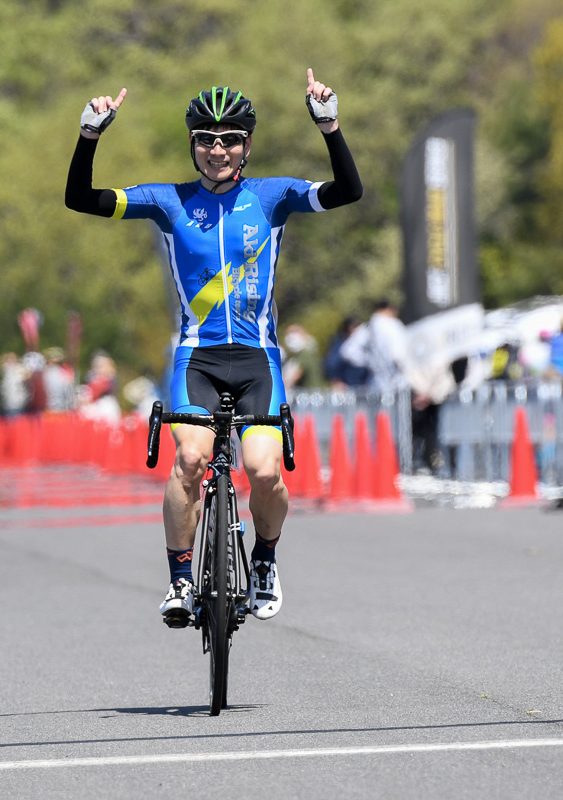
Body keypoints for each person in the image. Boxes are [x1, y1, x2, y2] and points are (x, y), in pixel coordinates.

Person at [66, 71, 362, 624]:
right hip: (196, 359)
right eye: (205, 139)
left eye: (228, 139)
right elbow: (80, 198)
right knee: (190, 458)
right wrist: (89, 137)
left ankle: (266, 561)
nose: (217, 149)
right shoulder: (168, 202)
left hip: (257, 361)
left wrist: (330, 127)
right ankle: (181, 578)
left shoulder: (273, 197)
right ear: (194, 147)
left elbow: (349, 191)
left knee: (265, 471)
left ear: (246, 146)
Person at [339, 300, 408, 394]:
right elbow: (399, 355)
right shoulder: (392, 325)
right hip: (397, 380)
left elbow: (348, 351)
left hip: (376, 383)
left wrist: (369, 361)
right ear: (387, 309)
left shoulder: (367, 327)